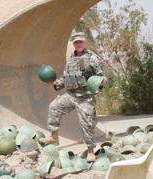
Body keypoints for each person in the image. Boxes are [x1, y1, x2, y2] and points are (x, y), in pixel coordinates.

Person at [39, 32, 106, 162]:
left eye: (80, 42)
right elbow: (66, 78)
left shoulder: (92, 59)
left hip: (85, 97)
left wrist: (103, 82)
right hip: (71, 95)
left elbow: (101, 75)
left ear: (84, 42)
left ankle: (91, 151)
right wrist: (54, 83)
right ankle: (54, 136)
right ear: (74, 44)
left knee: (87, 124)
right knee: (54, 107)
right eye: (76, 42)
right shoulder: (70, 60)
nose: (78, 44)